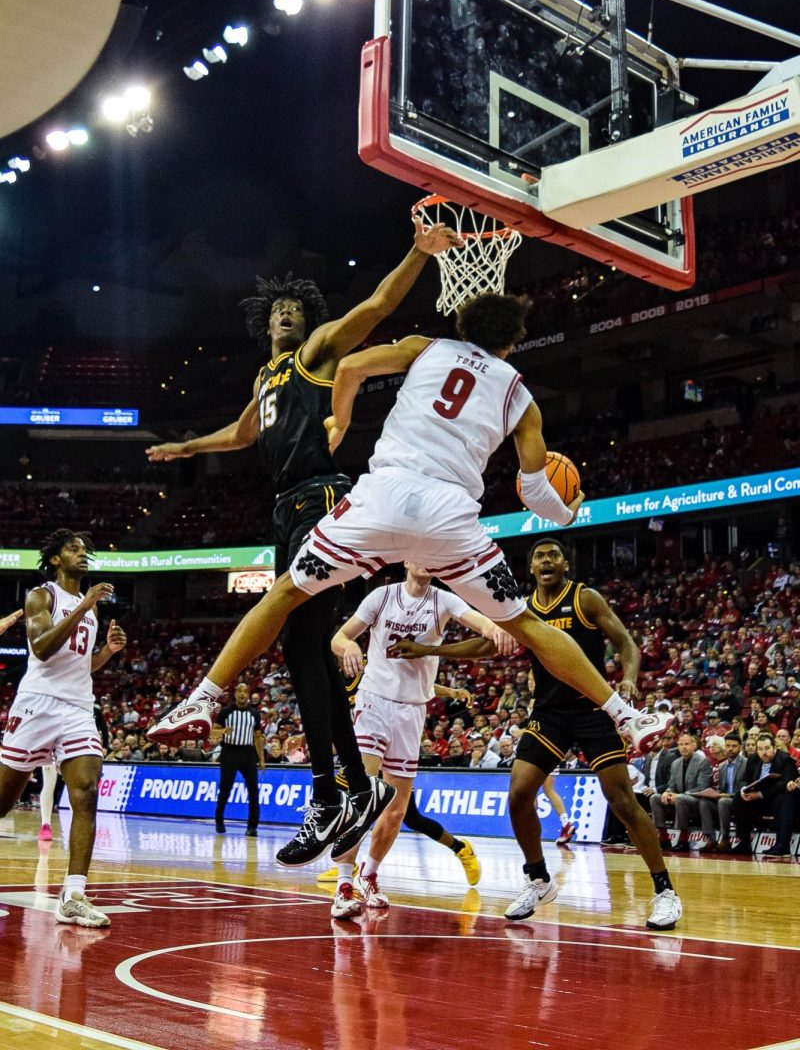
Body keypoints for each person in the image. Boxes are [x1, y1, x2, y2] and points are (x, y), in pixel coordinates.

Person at [149, 294, 673, 866]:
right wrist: (569, 511)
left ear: (461, 325)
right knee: (524, 623)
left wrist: (341, 419)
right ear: (513, 341)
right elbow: (536, 494)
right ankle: (627, 714)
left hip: (382, 499)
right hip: (449, 518)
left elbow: (350, 366)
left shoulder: (426, 347)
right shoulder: (520, 396)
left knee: (286, 594)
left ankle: (201, 699)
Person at [146, 215, 460, 865]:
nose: (288, 314)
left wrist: (418, 253)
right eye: (279, 310)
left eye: (295, 307)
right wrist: (187, 446)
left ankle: (328, 791)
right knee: (304, 650)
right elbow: (238, 435)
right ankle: (348, 791)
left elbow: (374, 308)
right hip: (286, 508)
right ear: (265, 323)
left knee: (301, 642)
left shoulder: (315, 354)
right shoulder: (263, 382)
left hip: (321, 495)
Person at [393, 537, 682, 930]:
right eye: (539, 557)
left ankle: (665, 891)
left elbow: (625, 642)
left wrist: (628, 679)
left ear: (566, 564)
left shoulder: (586, 599)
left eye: (553, 555)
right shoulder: (522, 609)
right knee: (519, 792)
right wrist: (429, 650)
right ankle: (538, 879)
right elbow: (486, 643)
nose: (546, 560)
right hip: (550, 714)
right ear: (530, 569)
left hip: (594, 709)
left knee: (621, 799)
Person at [325, 563, 502, 919]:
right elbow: (339, 637)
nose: (426, 561)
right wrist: (348, 647)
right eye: (419, 555)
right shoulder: (382, 596)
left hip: (412, 711)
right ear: (407, 561)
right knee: (364, 796)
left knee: (397, 810)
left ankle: (369, 876)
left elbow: (486, 627)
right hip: (374, 701)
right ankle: (344, 885)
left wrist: (497, 628)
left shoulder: (445, 601)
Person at [0, 530, 126, 926]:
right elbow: (41, 647)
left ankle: (73, 895)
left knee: (86, 793)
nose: (83, 554)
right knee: (2, 803)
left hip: (77, 708)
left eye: (85, 549)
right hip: (37, 705)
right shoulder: (42, 596)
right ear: (55, 559)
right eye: (73, 548)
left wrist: (108, 651)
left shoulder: (89, 610)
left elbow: (80, 666)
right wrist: (85, 604)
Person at [731, 732, 798, 858]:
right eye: (760, 749)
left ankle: (782, 846)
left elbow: (784, 784)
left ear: (774, 748)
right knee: (738, 799)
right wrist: (743, 790)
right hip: (759, 800)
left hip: (776, 799)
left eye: (767, 748)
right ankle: (744, 843)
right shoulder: (753, 759)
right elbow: (744, 779)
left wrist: (761, 794)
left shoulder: (785, 759)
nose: (763, 752)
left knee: (782, 798)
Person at [213, 682, 265, 835]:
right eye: (240, 691)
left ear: (248, 695)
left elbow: (257, 736)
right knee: (225, 788)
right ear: (235, 694)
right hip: (229, 752)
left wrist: (261, 758)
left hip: (248, 753)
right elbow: (213, 732)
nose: (242, 694)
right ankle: (219, 819)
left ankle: (252, 826)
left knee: (253, 791)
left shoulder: (254, 713)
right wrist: (223, 730)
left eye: (245, 691)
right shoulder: (225, 712)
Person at [649, 732, 715, 852]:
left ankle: (683, 840)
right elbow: (672, 785)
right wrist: (667, 792)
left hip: (697, 801)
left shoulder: (703, 762)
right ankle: (664, 838)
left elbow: (702, 787)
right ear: (678, 746)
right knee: (655, 798)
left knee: (680, 799)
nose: (684, 747)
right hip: (679, 800)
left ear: (693, 746)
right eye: (681, 744)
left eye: (687, 744)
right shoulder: (675, 763)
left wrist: (679, 795)